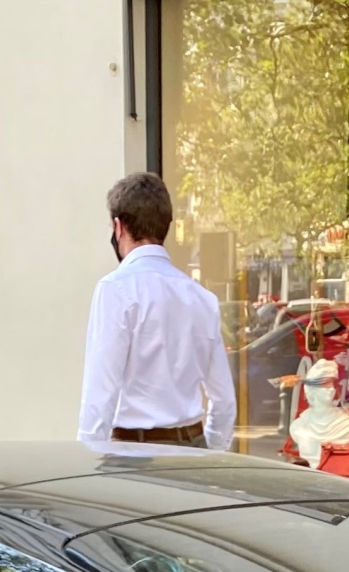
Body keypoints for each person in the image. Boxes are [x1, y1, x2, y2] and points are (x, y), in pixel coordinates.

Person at [77, 172, 235, 451]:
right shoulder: (201, 298)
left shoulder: (115, 290)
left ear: (119, 227)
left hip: (134, 452)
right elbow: (223, 400)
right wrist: (213, 452)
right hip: (194, 447)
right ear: (166, 226)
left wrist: (86, 462)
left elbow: (100, 395)